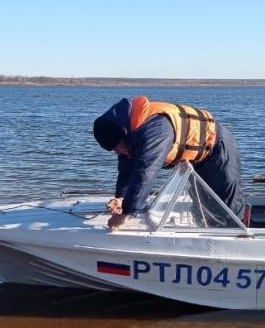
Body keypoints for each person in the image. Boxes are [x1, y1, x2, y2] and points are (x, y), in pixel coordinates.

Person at [92, 96, 245, 230]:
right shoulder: (129, 135)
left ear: (124, 135)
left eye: (118, 148)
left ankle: (238, 239)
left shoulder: (155, 130)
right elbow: (126, 169)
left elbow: (145, 172)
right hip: (194, 158)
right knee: (201, 202)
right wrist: (121, 198)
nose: (118, 153)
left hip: (218, 148)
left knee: (224, 206)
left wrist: (126, 214)